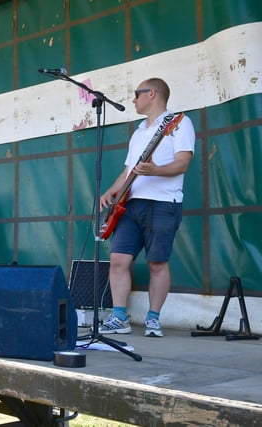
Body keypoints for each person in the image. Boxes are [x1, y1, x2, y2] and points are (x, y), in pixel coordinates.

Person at [98, 78, 195, 337]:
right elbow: (129, 170)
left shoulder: (179, 123)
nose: (133, 100)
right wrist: (111, 191)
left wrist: (156, 170)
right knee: (118, 259)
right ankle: (119, 317)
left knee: (157, 263)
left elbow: (182, 163)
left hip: (163, 203)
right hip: (131, 204)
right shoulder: (139, 131)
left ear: (151, 93)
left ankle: (154, 318)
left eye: (137, 94)